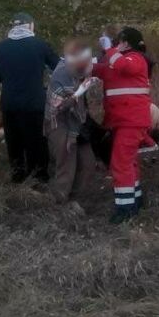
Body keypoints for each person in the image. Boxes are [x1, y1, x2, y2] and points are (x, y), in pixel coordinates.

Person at [0, 12, 59, 183]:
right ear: (30, 26)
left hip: (9, 103)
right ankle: (39, 177)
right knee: (36, 141)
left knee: (14, 143)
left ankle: (18, 177)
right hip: (34, 102)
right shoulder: (39, 45)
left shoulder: (1, 47)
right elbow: (57, 66)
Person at [92, 27, 153, 223]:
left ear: (126, 42)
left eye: (118, 41)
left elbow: (121, 66)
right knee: (129, 162)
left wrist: (109, 50)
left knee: (121, 163)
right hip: (123, 121)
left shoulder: (136, 59)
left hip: (131, 122)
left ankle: (126, 210)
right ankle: (134, 200)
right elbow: (103, 71)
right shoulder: (118, 62)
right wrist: (80, 64)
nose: (116, 44)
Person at [44, 40, 101, 203]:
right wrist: (80, 91)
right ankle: (59, 204)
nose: (90, 64)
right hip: (59, 124)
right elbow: (58, 107)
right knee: (67, 167)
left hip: (77, 124)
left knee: (88, 164)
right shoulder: (62, 73)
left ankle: (74, 200)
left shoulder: (78, 69)